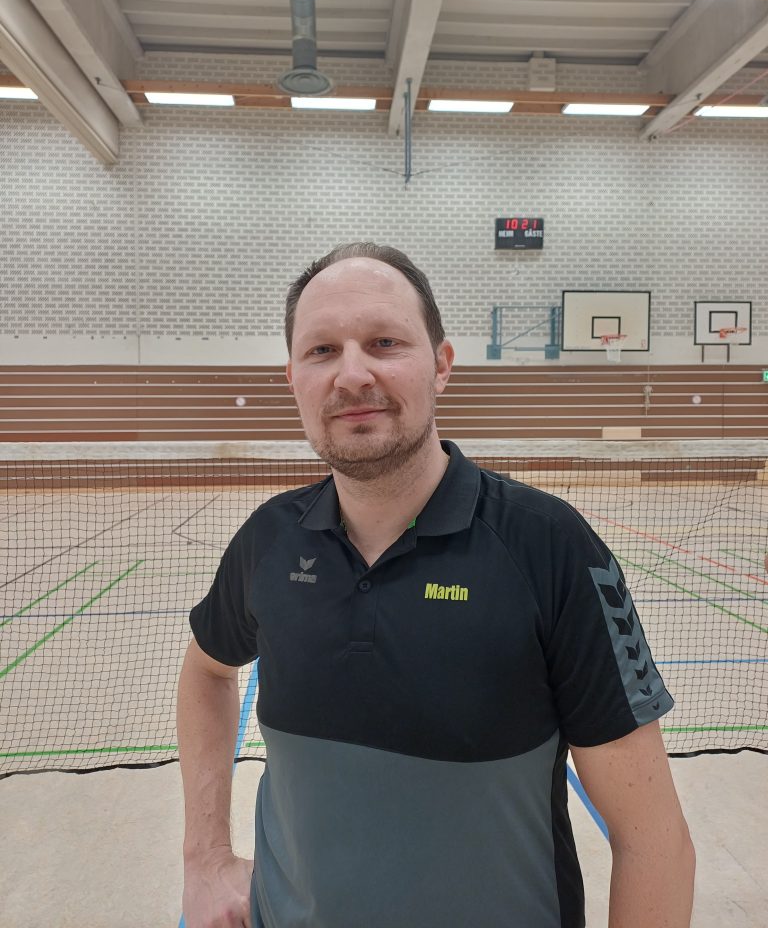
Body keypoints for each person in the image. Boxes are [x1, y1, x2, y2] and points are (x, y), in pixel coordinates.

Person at [177, 242, 695, 928]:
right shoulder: (268, 542)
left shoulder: (548, 547)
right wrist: (205, 856)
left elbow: (653, 841)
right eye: (322, 351)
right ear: (293, 378)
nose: (352, 374)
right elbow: (206, 672)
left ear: (442, 365)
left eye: (384, 342)